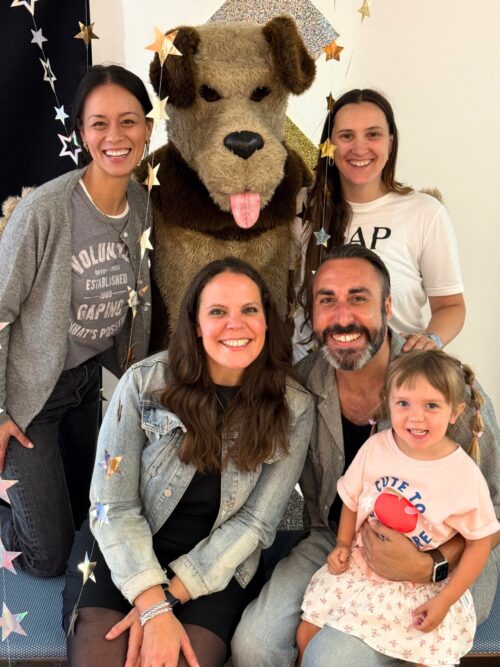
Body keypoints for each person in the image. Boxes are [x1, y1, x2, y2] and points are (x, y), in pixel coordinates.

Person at [231, 244, 500, 667]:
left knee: (332, 657)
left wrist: (428, 564)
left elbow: (493, 512)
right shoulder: (300, 387)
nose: (342, 317)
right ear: (312, 314)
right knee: (254, 646)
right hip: (339, 540)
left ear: (387, 307)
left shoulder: (444, 392)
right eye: (327, 301)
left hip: (448, 554)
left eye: (358, 298)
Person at [62, 257, 313, 667]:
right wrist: (151, 603)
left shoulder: (294, 407)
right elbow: (112, 504)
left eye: (249, 310)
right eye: (217, 312)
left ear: (267, 320)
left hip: (215, 570)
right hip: (120, 550)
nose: (236, 325)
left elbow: (256, 523)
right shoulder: (143, 382)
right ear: (196, 324)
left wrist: (166, 602)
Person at [0, 64, 153, 576]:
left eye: (128, 121)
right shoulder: (44, 211)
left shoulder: (141, 204)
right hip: (29, 398)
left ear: (147, 129)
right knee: (47, 556)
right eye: (99, 123)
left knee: (96, 518)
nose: (115, 136)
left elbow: (138, 300)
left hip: (85, 385)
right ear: (83, 133)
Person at [296, 349, 500, 667]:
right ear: (388, 403)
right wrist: (343, 543)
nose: (415, 417)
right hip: (364, 568)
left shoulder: (463, 475)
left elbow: (480, 543)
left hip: (423, 587)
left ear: (455, 412)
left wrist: (446, 600)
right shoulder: (376, 448)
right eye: (403, 403)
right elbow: (351, 499)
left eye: (431, 405)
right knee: (306, 632)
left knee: (427, 656)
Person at [291, 89, 465, 359]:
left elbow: (451, 306)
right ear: (329, 145)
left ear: (390, 143)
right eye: (346, 135)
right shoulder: (302, 206)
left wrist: (428, 342)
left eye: (373, 134)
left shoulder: (425, 213)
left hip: (394, 372)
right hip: (311, 371)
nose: (359, 148)